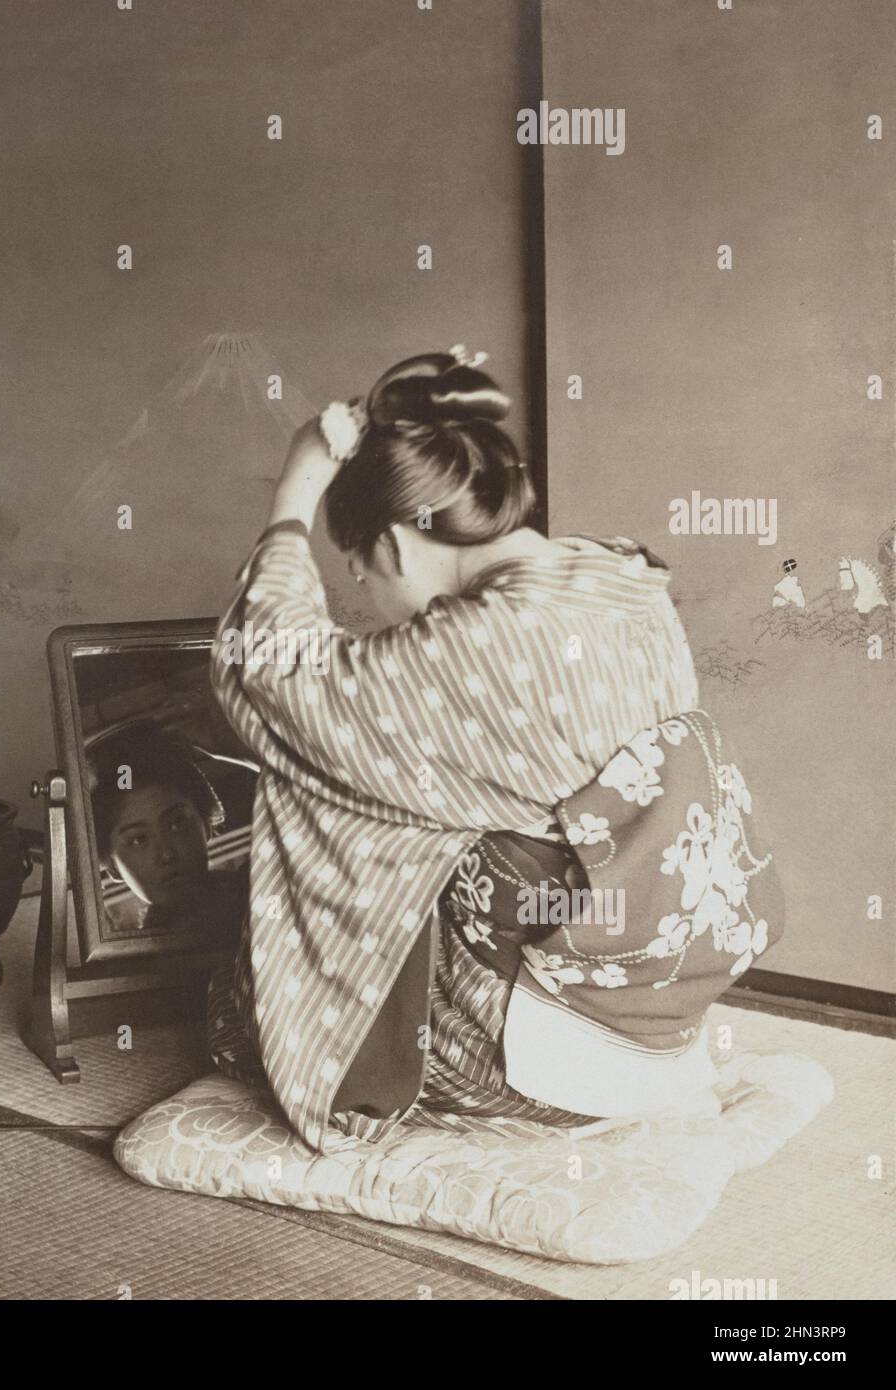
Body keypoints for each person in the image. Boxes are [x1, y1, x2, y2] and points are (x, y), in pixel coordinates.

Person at [207, 347, 781, 1153]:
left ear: (397, 546)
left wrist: (298, 484)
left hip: (549, 1066)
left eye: (363, 574)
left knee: (318, 799)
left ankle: (381, 1070)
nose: (369, 600)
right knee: (398, 784)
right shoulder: (620, 577)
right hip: (661, 1013)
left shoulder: (475, 643)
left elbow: (266, 677)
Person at [87, 719, 248, 940]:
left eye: (176, 824)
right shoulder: (139, 966)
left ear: (206, 824)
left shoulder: (260, 887)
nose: (167, 854)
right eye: (138, 840)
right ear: (111, 866)